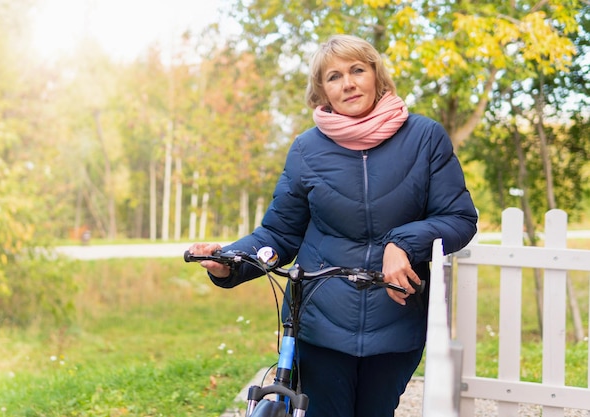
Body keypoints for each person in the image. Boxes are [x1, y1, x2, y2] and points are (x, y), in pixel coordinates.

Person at [188, 34, 478, 417]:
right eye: (334, 76)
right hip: (319, 322)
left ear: (377, 75)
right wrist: (232, 261)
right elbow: (279, 234)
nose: (348, 83)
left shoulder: (424, 138)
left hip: (396, 319)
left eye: (358, 70)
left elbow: (459, 218)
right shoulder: (307, 149)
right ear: (321, 91)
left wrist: (403, 243)